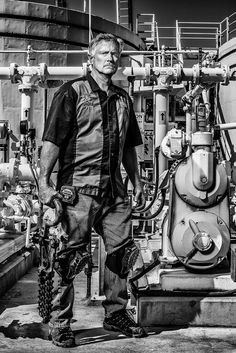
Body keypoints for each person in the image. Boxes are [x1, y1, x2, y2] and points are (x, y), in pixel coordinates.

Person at [39, 32, 146, 348]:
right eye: (104, 53)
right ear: (91, 58)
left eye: (115, 54)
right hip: (78, 190)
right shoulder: (72, 92)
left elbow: (129, 146)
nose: (111, 58)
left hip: (114, 191)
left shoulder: (124, 99)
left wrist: (137, 182)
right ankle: (60, 323)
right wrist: (45, 184)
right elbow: (52, 140)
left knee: (122, 254)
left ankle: (116, 313)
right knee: (70, 258)